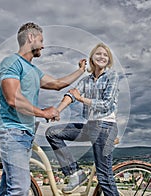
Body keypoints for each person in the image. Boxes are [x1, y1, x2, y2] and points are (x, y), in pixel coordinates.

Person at [0, 22, 86, 196]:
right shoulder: (12, 62)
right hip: (12, 132)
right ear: (31, 38)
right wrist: (43, 113)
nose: (43, 45)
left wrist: (80, 71)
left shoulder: (33, 71)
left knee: (9, 188)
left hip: (25, 134)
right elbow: (13, 98)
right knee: (20, 189)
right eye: (41, 40)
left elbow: (58, 84)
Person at [46, 42, 120, 195]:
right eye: (98, 53)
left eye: (105, 55)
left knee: (104, 177)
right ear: (92, 58)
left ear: (109, 60)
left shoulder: (112, 76)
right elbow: (72, 94)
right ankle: (75, 174)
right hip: (91, 126)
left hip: (105, 127)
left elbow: (106, 104)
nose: (102, 57)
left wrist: (82, 100)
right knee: (52, 133)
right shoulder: (86, 80)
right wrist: (57, 111)